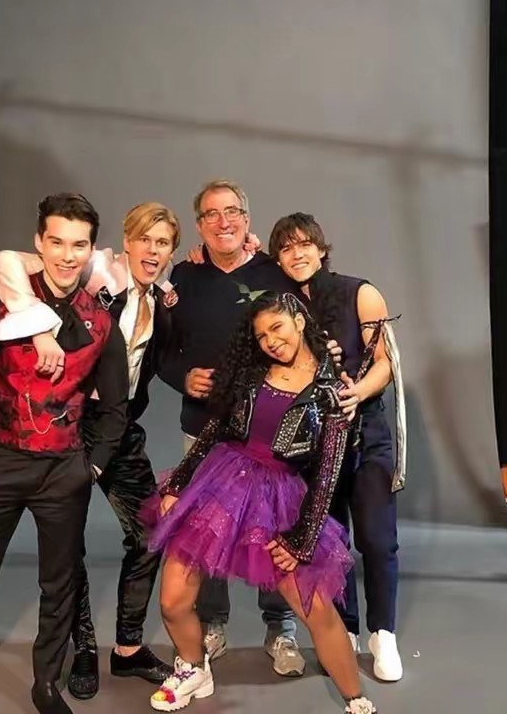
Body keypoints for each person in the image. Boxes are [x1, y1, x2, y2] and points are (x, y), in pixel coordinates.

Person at [0, 193, 129, 714]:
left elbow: (115, 405)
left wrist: (93, 465)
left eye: (78, 245)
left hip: (64, 471)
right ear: (39, 243)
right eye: (56, 242)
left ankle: (47, 685)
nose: (67, 255)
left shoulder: (100, 322)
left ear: (90, 250)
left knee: (60, 586)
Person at [144, 291, 377, 714]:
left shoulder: (331, 392)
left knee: (317, 610)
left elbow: (327, 474)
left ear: (299, 321)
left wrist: (301, 540)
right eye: (261, 335)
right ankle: (193, 667)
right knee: (172, 600)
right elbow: (214, 431)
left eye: (277, 328)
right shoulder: (251, 373)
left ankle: (355, 698)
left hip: (278, 500)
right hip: (220, 485)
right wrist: (177, 483)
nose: (270, 341)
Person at [0, 202, 182, 700]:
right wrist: (35, 323)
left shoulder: (162, 296)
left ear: (171, 251)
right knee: (67, 546)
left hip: (119, 427)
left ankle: (129, 649)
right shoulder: (97, 270)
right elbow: (5, 262)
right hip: (68, 425)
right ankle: (85, 647)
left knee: (151, 532)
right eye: (144, 239)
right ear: (126, 241)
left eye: (162, 243)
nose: (152, 250)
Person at [158, 179, 309, 676]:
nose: (223, 222)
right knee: (207, 530)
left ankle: (280, 627)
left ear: (247, 218)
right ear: (199, 224)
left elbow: (303, 338)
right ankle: (212, 621)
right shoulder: (182, 277)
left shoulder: (275, 273)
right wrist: (182, 376)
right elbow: (161, 349)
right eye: (211, 214)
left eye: (231, 212)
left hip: (268, 431)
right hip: (204, 426)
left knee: (273, 526)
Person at [268, 212, 405, 682]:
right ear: (278, 259)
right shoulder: (281, 309)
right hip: (312, 443)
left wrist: (356, 394)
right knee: (331, 542)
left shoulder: (360, 293)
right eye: (286, 248)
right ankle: (344, 631)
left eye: (305, 244)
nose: (297, 254)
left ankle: (383, 633)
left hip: (365, 434)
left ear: (322, 248)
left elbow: (386, 362)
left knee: (377, 538)